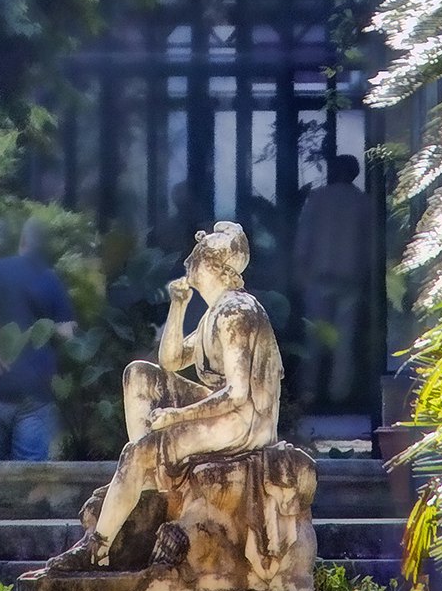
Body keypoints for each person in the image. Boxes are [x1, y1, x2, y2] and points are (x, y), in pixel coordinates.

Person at [87, 220, 280, 562]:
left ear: (215, 266)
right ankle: (148, 470)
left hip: (245, 421)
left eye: (197, 254)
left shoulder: (236, 313)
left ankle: (97, 548)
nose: (189, 259)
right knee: (139, 374)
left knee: (138, 453)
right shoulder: (214, 313)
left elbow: (238, 393)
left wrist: (178, 416)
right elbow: (171, 360)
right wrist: (178, 306)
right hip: (225, 409)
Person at [0, 217, 75, 461]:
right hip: (35, 393)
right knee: (29, 477)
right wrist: (46, 329)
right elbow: (69, 333)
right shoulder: (51, 279)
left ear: (23, 241)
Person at [293, 154, 373, 413]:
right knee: (344, 342)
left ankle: (308, 392)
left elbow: (304, 238)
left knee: (314, 338)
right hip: (350, 279)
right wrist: (367, 275)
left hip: (318, 277)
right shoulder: (363, 202)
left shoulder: (317, 198)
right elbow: (370, 245)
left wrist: (300, 271)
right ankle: (339, 395)